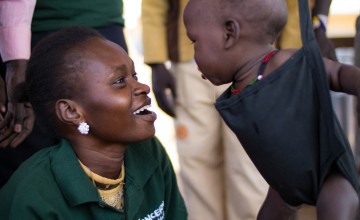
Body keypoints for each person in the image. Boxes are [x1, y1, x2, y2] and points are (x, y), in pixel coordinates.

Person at [183, 0, 360, 219]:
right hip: (282, 185)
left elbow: (338, 74)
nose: (194, 56)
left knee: (334, 209)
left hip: (329, 175)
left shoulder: (287, 63)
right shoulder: (236, 92)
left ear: (229, 33)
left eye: (194, 42)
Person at [0, 26, 188, 219]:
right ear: (72, 112)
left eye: (135, 76)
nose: (143, 87)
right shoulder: (33, 198)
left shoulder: (150, 152)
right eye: (119, 81)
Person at [141, 0, 268, 219]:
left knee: (249, 160)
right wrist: (157, 62)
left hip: (251, 60)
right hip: (191, 59)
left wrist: (287, 53)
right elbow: (154, 4)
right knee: (196, 156)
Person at [0, 0, 128, 187]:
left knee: (108, 163)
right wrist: (13, 59)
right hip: (26, 39)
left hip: (101, 24)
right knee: (25, 165)